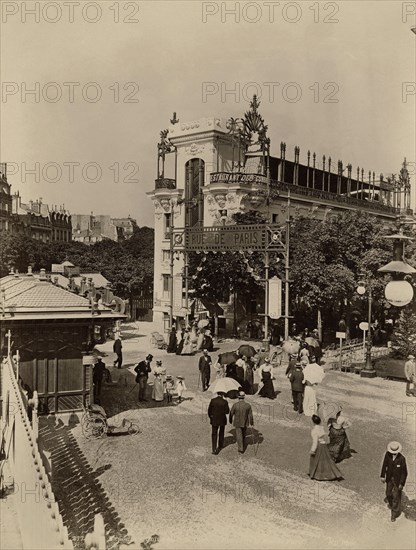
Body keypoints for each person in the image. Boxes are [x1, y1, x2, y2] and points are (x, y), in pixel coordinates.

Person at [309, 414, 343, 481]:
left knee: (316, 460)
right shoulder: (321, 428)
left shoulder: (314, 431)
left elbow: (315, 442)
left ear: (313, 422)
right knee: (326, 460)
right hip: (324, 445)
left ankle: (317, 474)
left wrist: (312, 450)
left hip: (319, 445)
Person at [380, 441, 408, 522]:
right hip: (389, 478)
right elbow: (384, 465)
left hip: (398, 481)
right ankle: (394, 504)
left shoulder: (402, 459)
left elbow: (404, 473)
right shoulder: (387, 454)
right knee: (388, 493)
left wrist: (401, 484)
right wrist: (382, 476)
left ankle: (394, 514)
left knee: (396, 496)